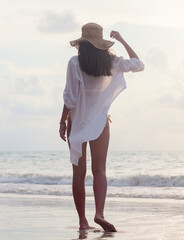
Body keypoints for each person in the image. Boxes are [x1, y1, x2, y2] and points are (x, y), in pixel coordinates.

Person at [59, 23, 144, 232]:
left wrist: (62, 121)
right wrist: (122, 40)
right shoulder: (112, 62)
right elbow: (139, 65)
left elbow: (69, 97)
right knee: (100, 170)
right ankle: (100, 213)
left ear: (81, 44)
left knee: (78, 174)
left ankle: (82, 222)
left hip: (77, 122)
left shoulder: (74, 62)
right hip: (100, 122)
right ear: (102, 44)